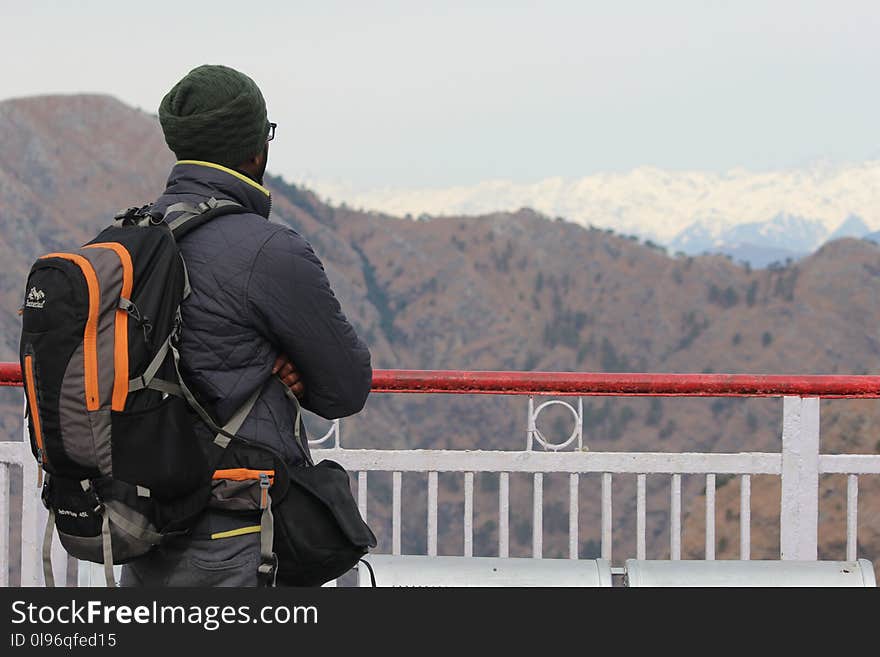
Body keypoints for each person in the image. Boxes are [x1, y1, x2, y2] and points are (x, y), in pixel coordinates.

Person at [120, 64, 373, 587]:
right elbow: (346, 387)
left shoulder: (129, 241)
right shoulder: (268, 249)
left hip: (144, 529)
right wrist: (288, 371)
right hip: (235, 539)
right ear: (256, 149)